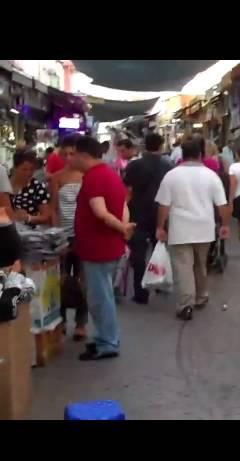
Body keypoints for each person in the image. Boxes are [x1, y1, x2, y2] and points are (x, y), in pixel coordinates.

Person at [71, 135, 134, 361]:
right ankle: (103, 338)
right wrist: (123, 226)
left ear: (84, 155)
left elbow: (100, 212)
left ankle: (107, 342)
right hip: (106, 246)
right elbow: (123, 205)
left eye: (73, 154)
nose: (71, 159)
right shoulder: (110, 175)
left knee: (100, 297)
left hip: (98, 247)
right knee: (102, 294)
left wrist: (122, 228)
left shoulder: (94, 178)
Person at [155, 135, 231, 321]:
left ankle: (186, 304)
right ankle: (201, 296)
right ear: (201, 154)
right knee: (200, 264)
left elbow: (163, 205)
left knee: (184, 266)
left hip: (180, 228)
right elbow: (222, 205)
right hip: (204, 228)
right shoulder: (211, 176)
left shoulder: (171, 176)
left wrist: (160, 227)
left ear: (182, 154)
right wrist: (225, 225)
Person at [123, 133, 173, 305]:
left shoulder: (134, 165)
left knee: (138, 253)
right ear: (160, 146)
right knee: (159, 247)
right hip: (160, 212)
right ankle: (158, 280)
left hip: (137, 213)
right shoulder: (168, 165)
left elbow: (127, 190)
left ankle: (140, 291)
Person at [49, 134, 89, 340]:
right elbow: (54, 209)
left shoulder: (87, 176)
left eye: (72, 153)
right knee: (60, 279)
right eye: (64, 154)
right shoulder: (56, 177)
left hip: (83, 235)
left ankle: (81, 323)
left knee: (83, 280)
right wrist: (57, 236)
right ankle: (62, 320)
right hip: (63, 235)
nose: (68, 157)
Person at [9, 149, 52, 226]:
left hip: (30, 234)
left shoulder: (37, 187)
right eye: (24, 169)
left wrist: (29, 218)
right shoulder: (4, 185)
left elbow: (46, 217)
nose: (28, 173)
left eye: (32, 169)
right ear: (15, 167)